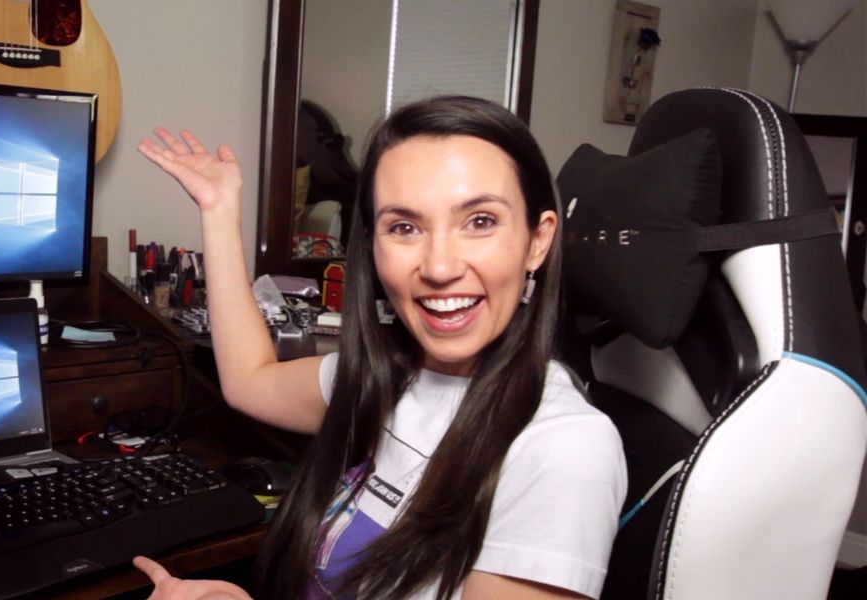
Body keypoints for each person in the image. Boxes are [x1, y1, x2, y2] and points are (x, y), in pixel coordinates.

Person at [133, 96, 627, 600]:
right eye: (404, 227)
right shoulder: (384, 376)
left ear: (537, 242)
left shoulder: (564, 448)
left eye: (480, 221)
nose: (439, 266)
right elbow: (249, 381)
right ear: (372, 246)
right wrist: (219, 211)